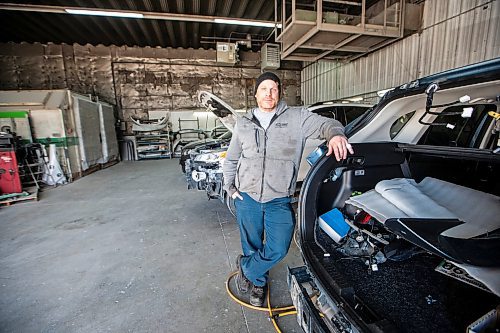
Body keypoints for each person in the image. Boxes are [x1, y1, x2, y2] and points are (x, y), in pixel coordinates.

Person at [223, 72, 353, 307]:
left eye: (273, 88)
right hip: (247, 197)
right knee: (251, 244)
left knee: (279, 246)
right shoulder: (243, 124)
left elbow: (328, 123)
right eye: (264, 88)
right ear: (255, 93)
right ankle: (259, 283)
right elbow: (231, 159)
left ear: (279, 93)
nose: (269, 93)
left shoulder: (297, 118)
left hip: (278, 199)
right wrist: (230, 187)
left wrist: (335, 135)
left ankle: (246, 268)